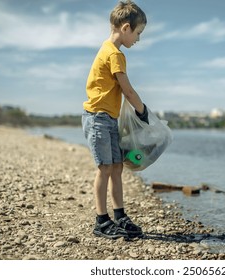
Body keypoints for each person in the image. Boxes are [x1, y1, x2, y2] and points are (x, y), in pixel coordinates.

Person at [82, 0, 149, 239]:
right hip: (98, 119)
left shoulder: (107, 49)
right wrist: (142, 111)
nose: (138, 39)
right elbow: (127, 89)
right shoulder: (115, 54)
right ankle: (101, 220)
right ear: (126, 28)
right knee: (105, 168)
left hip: (108, 119)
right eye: (138, 33)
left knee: (117, 167)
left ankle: (119, 215)